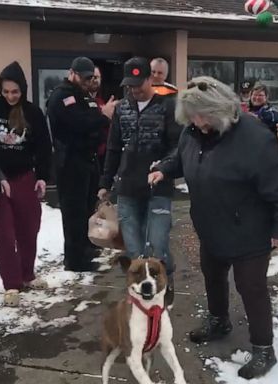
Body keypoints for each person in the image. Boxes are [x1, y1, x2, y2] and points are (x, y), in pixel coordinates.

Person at [148, 76, 278, 379]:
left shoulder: (254, 138)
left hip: (250, 230)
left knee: (251, 288)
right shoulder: (192, 132)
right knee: (213, 276)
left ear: (219, 109)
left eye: (202, 115)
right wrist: (164, 170)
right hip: (211, 224)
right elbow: (182, 159)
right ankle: (219, 322)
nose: (197, 122)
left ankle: (263, 349)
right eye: (191, 116)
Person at [98, 57, 183, 306]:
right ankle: (140, 293)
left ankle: (167, 279)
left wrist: (164, 168)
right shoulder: (122, 109)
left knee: (158, 242)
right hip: (127, 188)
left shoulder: (168, 107)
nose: (134, 89)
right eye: (130, 85)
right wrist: (105, 182)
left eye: (139, 83)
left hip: (159, 187)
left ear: (150, 79)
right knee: (134, 248)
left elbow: (177, 146)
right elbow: (113, 148)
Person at [0, 61, 52, 307]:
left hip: (25, 178)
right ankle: (11, 283)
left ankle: (27, 274)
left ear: (22, 89)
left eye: (15, 91)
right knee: (4, 233)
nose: (10, 96)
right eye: (6, 91)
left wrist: (43, 176)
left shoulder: (33, 112)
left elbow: (44, 148)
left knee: (28, 229)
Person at [47, 57, 116, 272]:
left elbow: (91, 121)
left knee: (87, 209)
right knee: (74, 212)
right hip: (70, 162)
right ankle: (74, 260)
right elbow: (80, 122)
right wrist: (103, 116)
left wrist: (99, 119)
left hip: (88, 158)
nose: (88, 82)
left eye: (92, 78)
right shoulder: (62, 95)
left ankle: (86, 248)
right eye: (85, 78)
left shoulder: (84, 95)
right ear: (72, 73)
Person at [89, 66, 108, 174]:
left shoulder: (101, 101)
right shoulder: (81, 100)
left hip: (102, 154)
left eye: (97, 77)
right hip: (88, 154)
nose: (94, 80)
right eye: (91, 77)